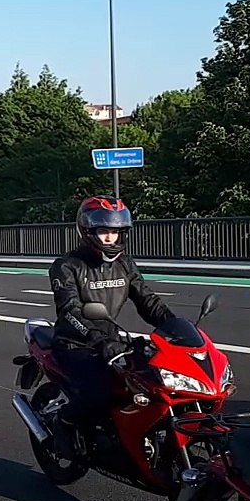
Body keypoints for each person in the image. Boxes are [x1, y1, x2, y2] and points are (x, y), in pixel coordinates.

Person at [47, 195, 176, 459]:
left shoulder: (124, 263)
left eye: (115, 232)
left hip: (113, 342)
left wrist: (175, 325)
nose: (110, 238)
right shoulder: (67, 266)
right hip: (75, 344)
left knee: (152, 384)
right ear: (88, 230)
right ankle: (64, 421)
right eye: (104, 231)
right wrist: (97, 338)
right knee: (100, 394)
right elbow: (69, 310)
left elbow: (147, 299)